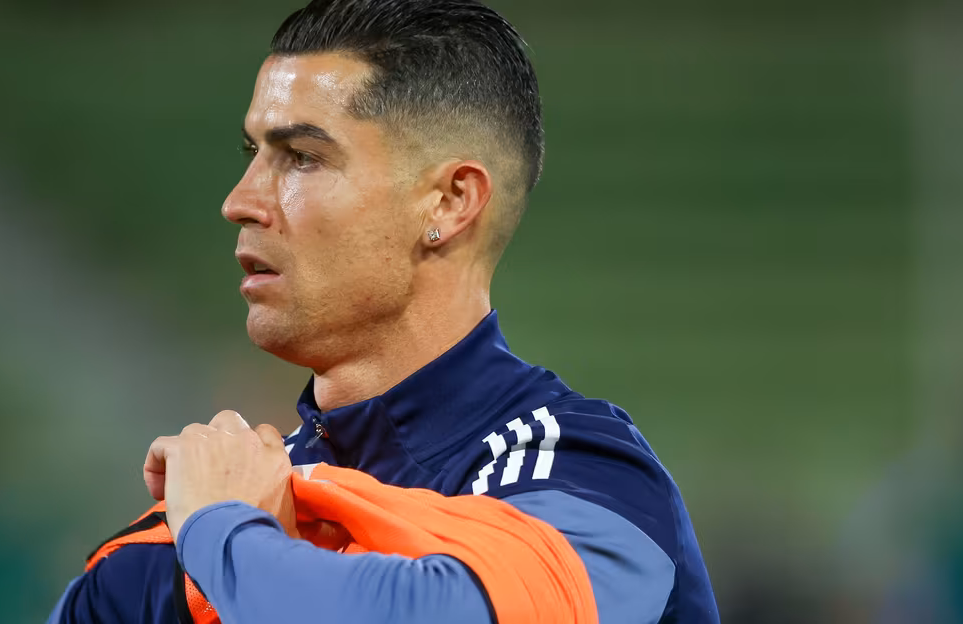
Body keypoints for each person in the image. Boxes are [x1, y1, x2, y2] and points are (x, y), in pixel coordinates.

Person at [49, 0, 719, 622]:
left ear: (449, 202)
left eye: (302, 158)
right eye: (254, 153)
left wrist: (223, 532)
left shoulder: (583, 476)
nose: (240, 201)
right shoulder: (178, 542)